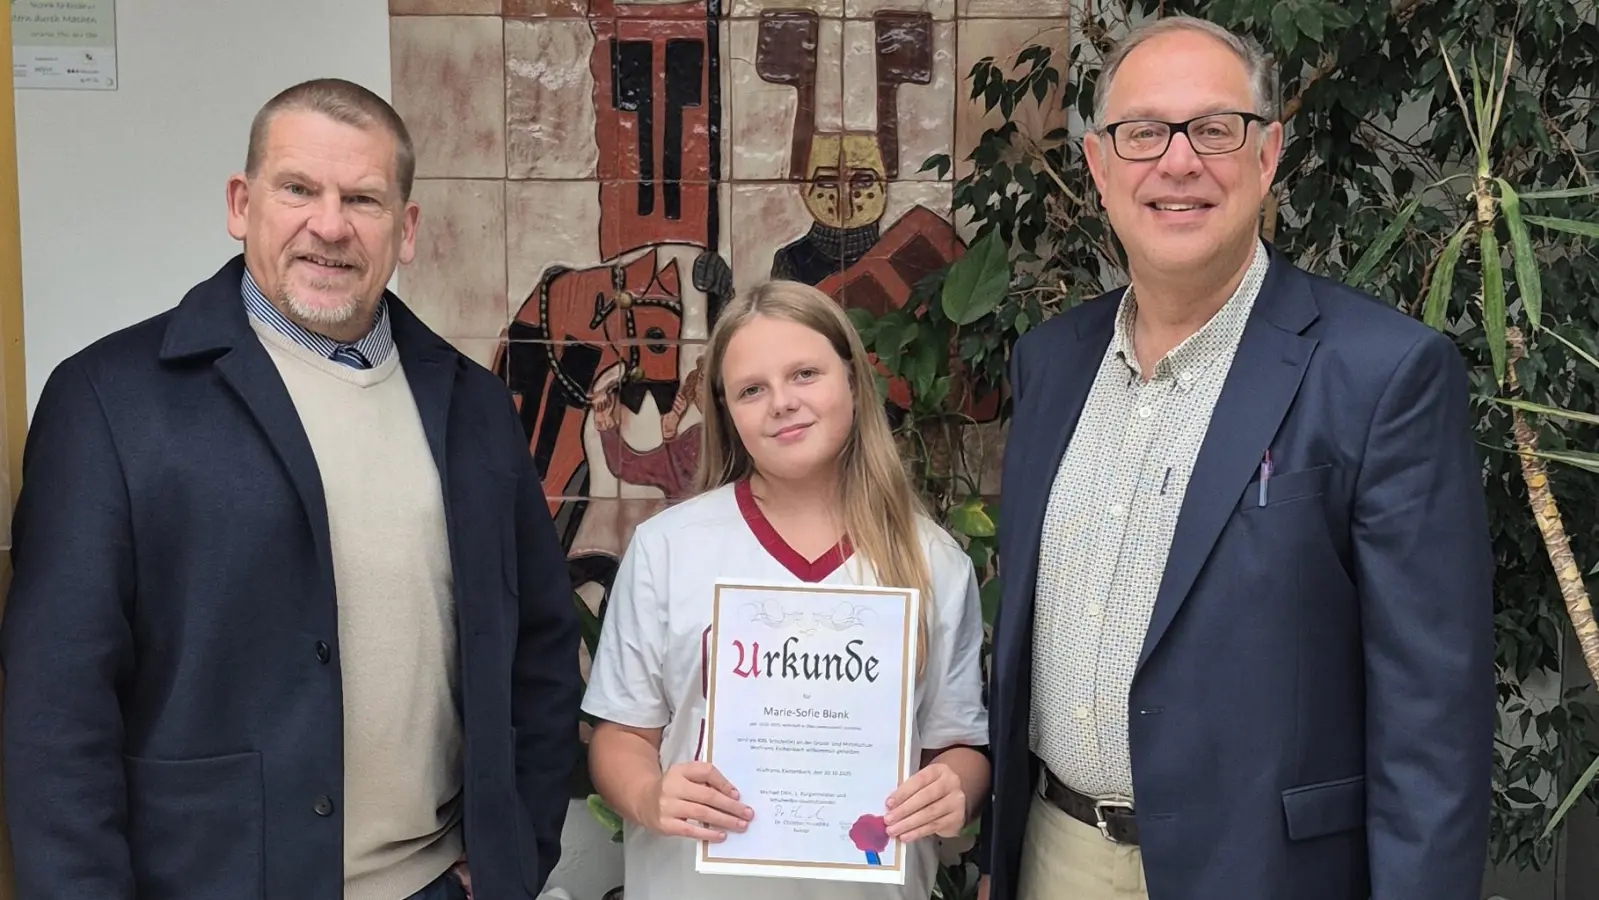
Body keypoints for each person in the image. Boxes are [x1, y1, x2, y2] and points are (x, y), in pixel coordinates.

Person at [0, 78, 582, 900]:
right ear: (242, 204)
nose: (330, 225)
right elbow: (57, 712)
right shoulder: (109, 402)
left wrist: (513, 855)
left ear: (405, 228)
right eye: (299, 189)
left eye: (364, 198)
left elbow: (541, 652)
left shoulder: (473, 406)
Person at [978, 16, 1494, 900]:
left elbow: (1431, 720)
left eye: (1214, 129)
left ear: (1268, 157)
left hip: (1264, 872)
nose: (1177, 163)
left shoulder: (1380, 375)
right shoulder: (1050, 363)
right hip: (1053, 858)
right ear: (1100, 168)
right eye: (1142, 133)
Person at [581, 279, 990, 900]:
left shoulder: (933, 562)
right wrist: (647, 793)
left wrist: (954, 786)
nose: (781, 402)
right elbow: (621, 735)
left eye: (805, 374)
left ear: (852, 379)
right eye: (752, 390)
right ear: (727, 412)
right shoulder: (668, 549)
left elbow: (956, 743)